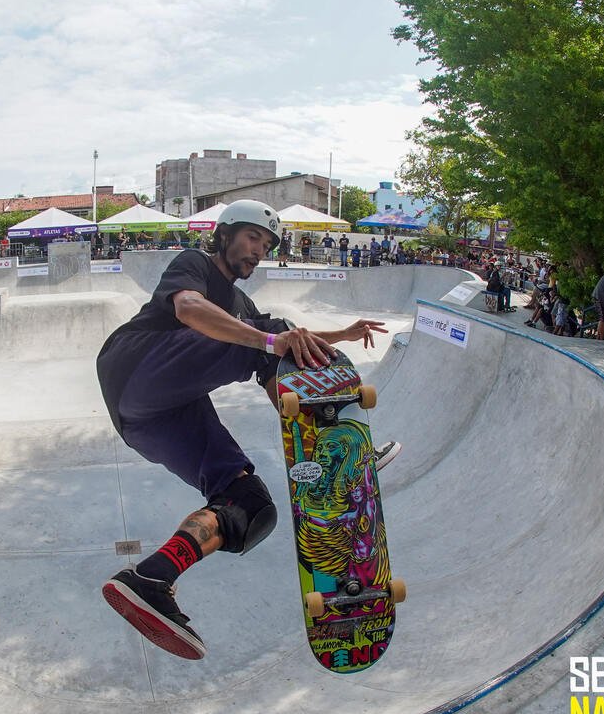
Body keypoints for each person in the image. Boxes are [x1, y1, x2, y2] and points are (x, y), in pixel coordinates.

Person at [96, 199, 397, 660]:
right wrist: (270, 340)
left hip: (154, 417)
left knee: (249, 506)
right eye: (253, 238)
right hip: (136, 366)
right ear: (225, 234)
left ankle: (152, 578)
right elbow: (192, 310)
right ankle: (329, 447)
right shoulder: (193, 264)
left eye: (268, 244)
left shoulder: (241, 304)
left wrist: (339, 334)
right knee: (269, 336)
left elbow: (282, 341)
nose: (259, 251)